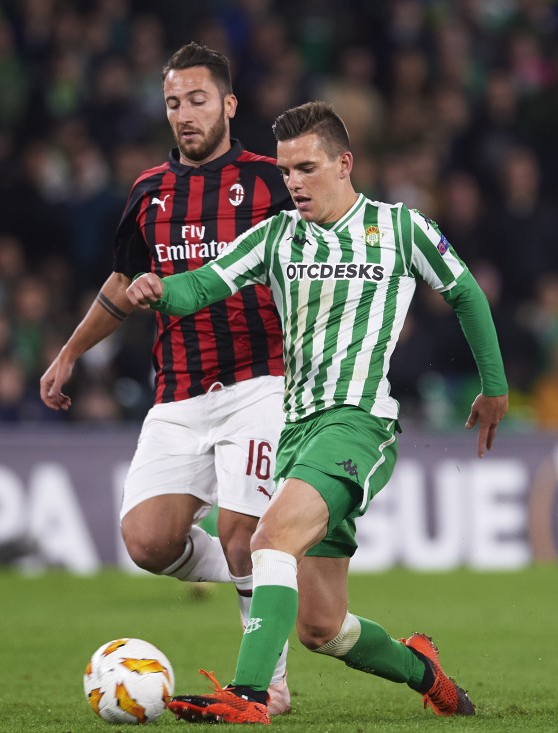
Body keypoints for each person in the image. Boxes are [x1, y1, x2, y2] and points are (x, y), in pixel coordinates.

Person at [127, 100, 508, 724]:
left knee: (265, 536)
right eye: (284, 171)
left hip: (359, 423)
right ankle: (425, 671)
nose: (294, 182)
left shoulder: (401, 227)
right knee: (322, 628)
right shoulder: (278, 237)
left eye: (306, 167)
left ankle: (249, 696)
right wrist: (158, 289)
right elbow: (203, 285)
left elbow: (464, 291)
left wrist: (493, 387)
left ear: (344, 163)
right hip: (297, 431)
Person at [39, 42, 294, 714]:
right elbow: (122, 284)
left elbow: (318, 259)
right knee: (147, 540)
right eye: (174, 102)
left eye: (198, 99)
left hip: (260, 381)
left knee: (244, 526)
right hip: (179, 389)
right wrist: (68, 353)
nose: (185, 114)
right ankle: (275, 570)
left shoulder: (272, 182)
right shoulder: (149, 191)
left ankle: (269, 676)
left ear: (230, 105)